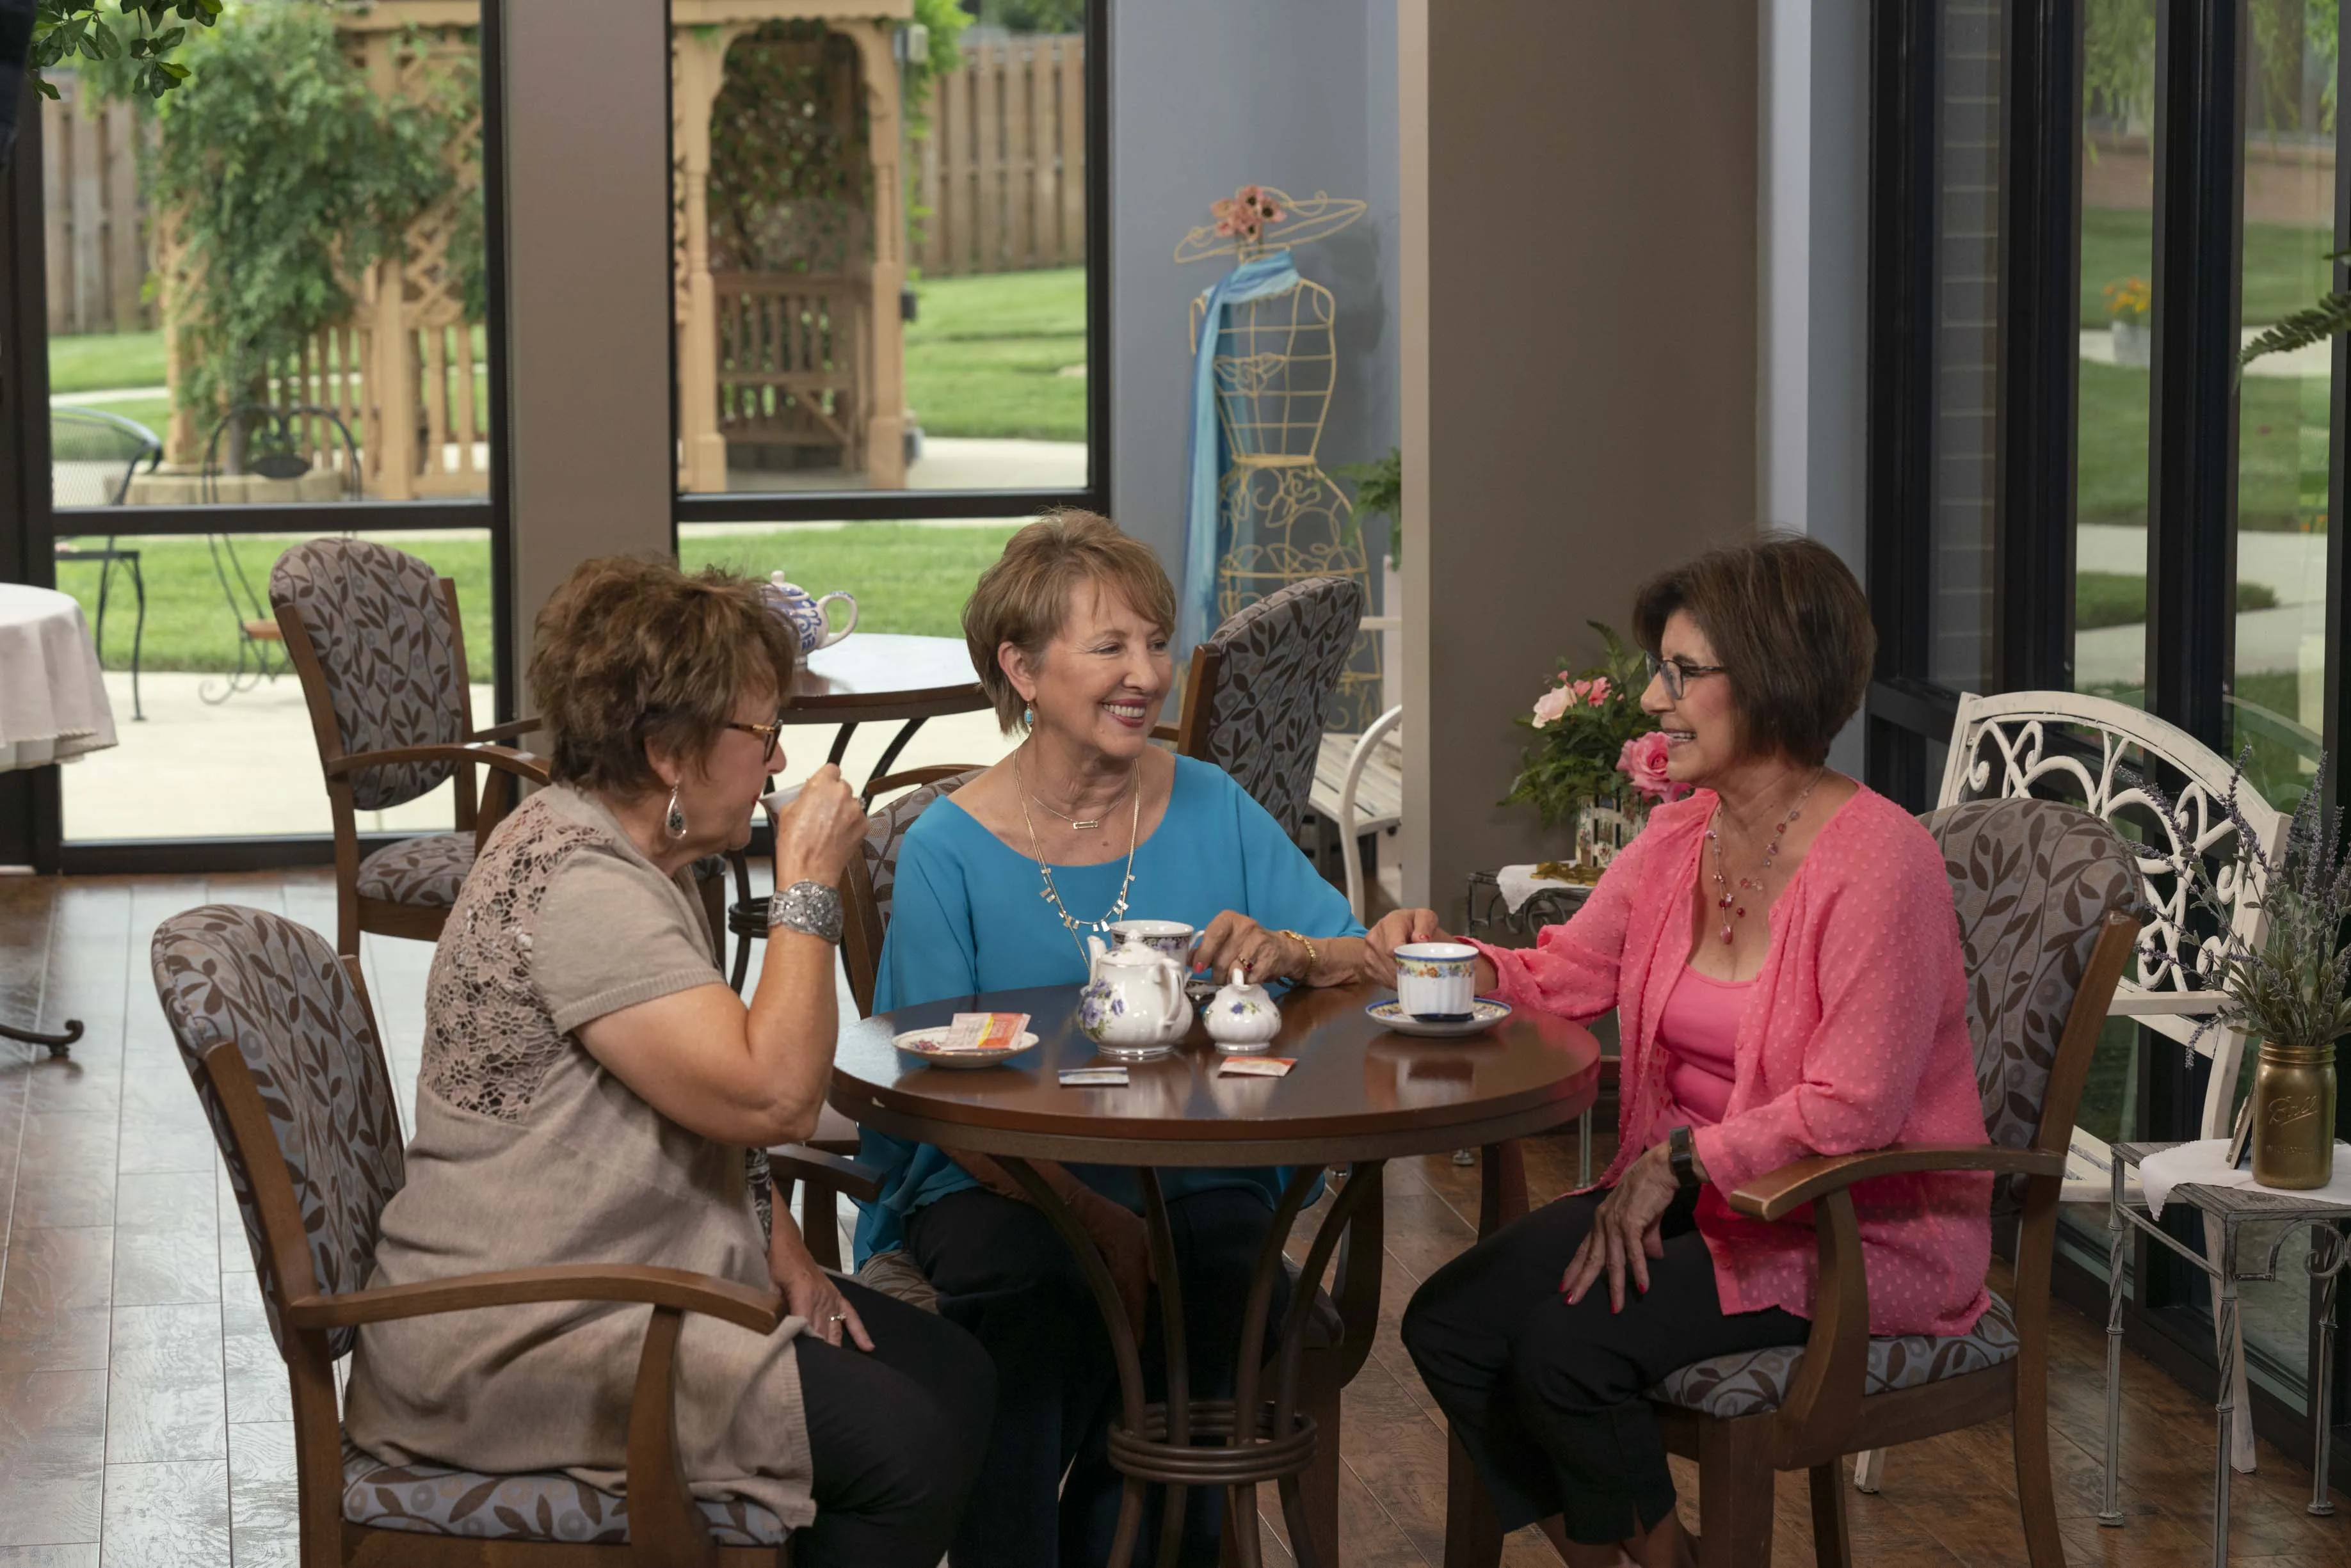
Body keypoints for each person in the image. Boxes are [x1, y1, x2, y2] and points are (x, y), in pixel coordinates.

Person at [344, 557, 995, 1568]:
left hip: (609, 1279)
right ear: (667, 754)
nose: (776, 765)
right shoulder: (583, 887)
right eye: (759, 734)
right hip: (523, 1333)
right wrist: (809, 882)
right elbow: (773, 1092)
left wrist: (779, 1244)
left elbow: (697, 1106)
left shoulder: (627, 858)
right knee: (904, 1449)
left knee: (956, 1373)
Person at [1372, 534, 1991, 1568]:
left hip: (1845, 1230)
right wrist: (1436, 958)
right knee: (1454, 1322)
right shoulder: (1678, 837)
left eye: (1680, 672)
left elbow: (1856, 1109)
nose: (1654, 701)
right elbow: (1566, 975)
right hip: (1701, 1212)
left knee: (1569, 1351)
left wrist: (1679, 1161)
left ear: (1774, 677)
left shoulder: (1882, 862)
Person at [858, 509, 1373, 1568]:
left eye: (1154, 640)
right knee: (1043, 1292)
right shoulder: (948, 848)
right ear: (1022, 669)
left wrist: (1289, 947)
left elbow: (1360, 952)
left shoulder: (1214, 804)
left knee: (1229, 1287)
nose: (1147, 672)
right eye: (1110, 647)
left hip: (1202, 1169)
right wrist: (1102, 1223)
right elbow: (943, 1099)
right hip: (1004, 1178)